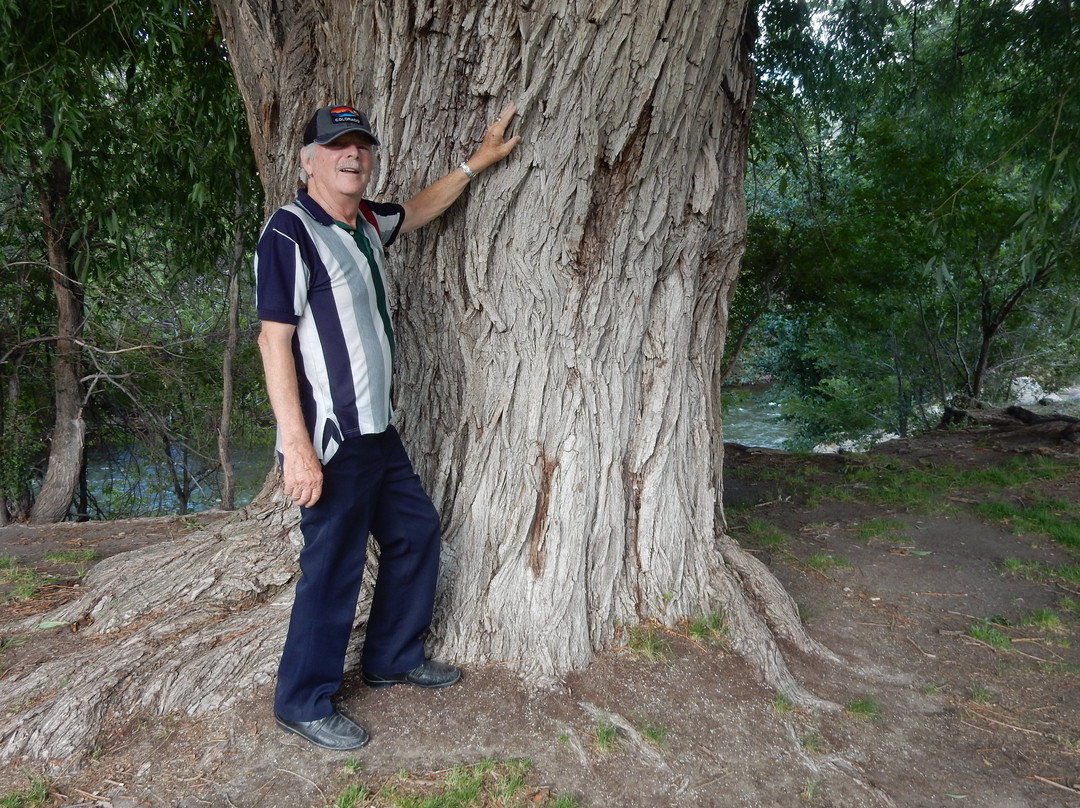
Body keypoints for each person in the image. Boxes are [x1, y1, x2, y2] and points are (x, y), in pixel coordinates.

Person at [255, 102, 521, 751]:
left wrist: (476, 163)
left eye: (361, 146)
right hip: (333, 438)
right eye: (337, 146)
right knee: (335, 568)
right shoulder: (289, 234)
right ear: (308, 160)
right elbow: (272, 341)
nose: (353, 156)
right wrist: (295, 445)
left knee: (415, 531)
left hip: (380, 431)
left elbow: (421, 208)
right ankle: (302, 701)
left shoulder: (368, 222)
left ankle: (392, 657)